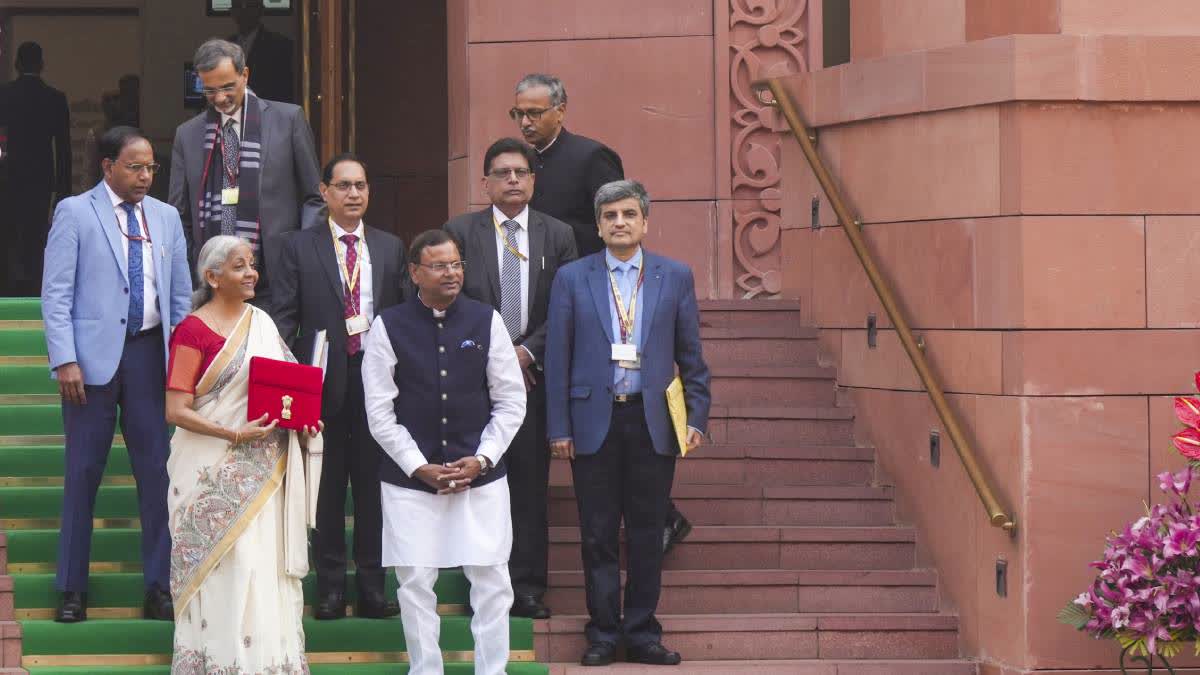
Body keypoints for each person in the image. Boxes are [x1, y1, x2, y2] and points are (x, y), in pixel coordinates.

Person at [513, 73, 692, 554]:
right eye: (519, 114)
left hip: (599, 299)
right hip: (541, 298)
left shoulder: (591, 156)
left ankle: (663, 517)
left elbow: (616, 221)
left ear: (561, 110)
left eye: (534, 113)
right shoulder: (521, 164)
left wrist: (549, 230)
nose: (526, 122)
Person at [545, 180, 711, 667]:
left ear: (645, 222)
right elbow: (558, 358)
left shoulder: (674, 276)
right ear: (597, 225)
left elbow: (691, 356)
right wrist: (559, 428)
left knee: (646, 531)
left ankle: (641, 632)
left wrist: (695, 417)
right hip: (592, 419)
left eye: (629, 215)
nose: (620, 222)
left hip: (652, 420)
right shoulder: (573, 278)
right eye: (611, 215)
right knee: (596, 533)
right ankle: (601, 634)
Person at [40, 126, 191, 623]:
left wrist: (184, 365)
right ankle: (71, 589)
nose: (146, 175)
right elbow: (56, 293)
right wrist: (65, 358)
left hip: (151, 357)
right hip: (91, 363)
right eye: (135, 166)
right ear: (108, 166)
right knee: (83, 473)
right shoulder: (76, 212)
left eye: (151, 167)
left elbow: (180, 297)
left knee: (157, 475)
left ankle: (160, 586)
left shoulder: (167, 218)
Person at [363, 230, 526, 675]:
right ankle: (425, 669)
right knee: (414, 581)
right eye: (439, 265)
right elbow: (379, 412)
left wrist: (484, 458)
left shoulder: (486, 319)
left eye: (456, 264)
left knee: (492, 579)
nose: (451, 273)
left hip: (482, 475)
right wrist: (418, 466)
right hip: (409, 480)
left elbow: (511, 400)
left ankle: (492, 670)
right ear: (415, 273)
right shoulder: (388, 325)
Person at [164, 235, 323, 672]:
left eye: (252, 264)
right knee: (226, 571)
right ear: (212, 277)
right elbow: (175, 409)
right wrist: (232, 434)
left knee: (261, 566)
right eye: (239, 266)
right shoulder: (192, 331)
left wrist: (306, 421)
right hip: (207, 473)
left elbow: (290, 390)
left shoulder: (264, 324)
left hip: (264, 476)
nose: (251, 273)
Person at [444, 137, 577, 619]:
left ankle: (527, 588)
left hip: (533, 379)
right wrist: (497, 359)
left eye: (521, 172)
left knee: (526, 486)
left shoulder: (558, 234)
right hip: (473, 380)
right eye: (502, 173)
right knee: (474, 482)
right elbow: (452, 301)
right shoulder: (460, 231)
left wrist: (524, 355)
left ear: (534, 181)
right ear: (485, 183)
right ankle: (476, 581)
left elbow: (564, 309)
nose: (513, 180)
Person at [272, 153, 406, 619]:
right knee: (326, 492)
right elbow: (285, 319)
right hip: (320, 382)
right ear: (325, 192)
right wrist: (290, 381)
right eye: (344, 186)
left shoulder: (390, 248)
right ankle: (329, 588)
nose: (354, 194)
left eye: (361, 185)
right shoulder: (297, 247)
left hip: (377, 384)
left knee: (373, 490)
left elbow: (403, 318)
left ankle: (372, 588)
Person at [169, 38, 321, 310]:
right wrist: (194, 262)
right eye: (210, 91)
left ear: (245, 74)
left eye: (228, 87)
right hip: (211, 284)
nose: (219, 98)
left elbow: (314, 198)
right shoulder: (188, 134)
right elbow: (178, 214)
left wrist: (299, 254)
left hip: (275, 277)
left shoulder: (287, 120)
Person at [0, 42, 71, 295]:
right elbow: (63, 149)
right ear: (41, 65)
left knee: (7, 236)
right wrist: (63, 192)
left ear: (17, 64)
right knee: (36, 237)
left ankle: (7, 290)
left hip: (8, 177)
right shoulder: (55, 98)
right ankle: (34, 289)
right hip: (42, 178)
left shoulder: (4, 95)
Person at [228, 0, 295, 104]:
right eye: (238, 6)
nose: (243, 11)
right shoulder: (226, 46)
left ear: (260, 10)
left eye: (249, 6)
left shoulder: (280, 46)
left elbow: (284, 90)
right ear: (232, 11)